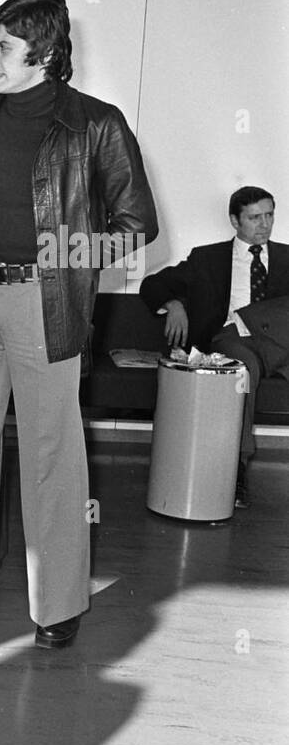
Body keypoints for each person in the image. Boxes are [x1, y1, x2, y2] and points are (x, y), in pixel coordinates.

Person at [0, 0, 157, 648]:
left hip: (43, 302)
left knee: (52, 451)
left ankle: (56, 605)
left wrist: (65, 258)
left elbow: (139, 223)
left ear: (43, 55)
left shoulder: (97, 125)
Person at [140, 187, 287, 507]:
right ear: (235, 221)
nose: (264, 225)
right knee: (240, 370)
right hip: (234, 342)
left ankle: (253, 320)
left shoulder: (288, 258)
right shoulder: (208, 259)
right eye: (254, 218)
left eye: (269, 215)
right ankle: (236, 469)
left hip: (281, 344)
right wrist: (174, 304)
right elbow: (152, 284)